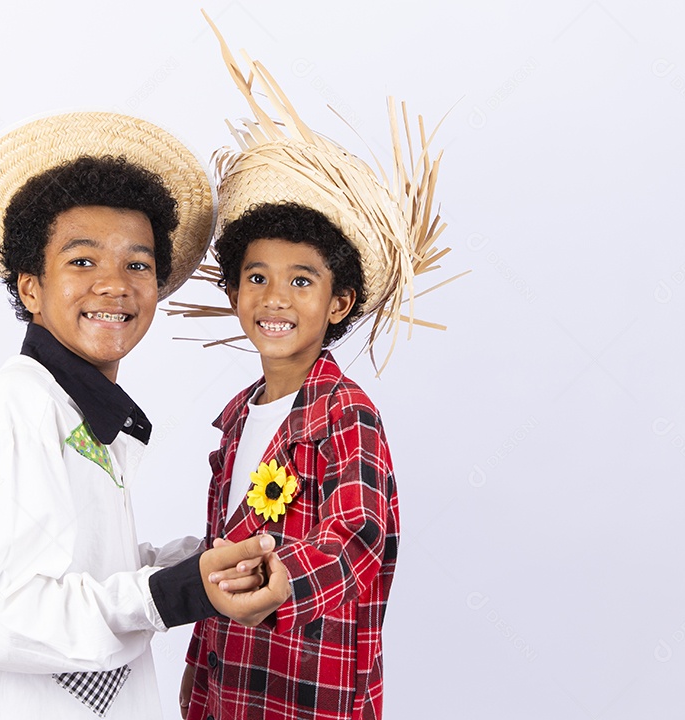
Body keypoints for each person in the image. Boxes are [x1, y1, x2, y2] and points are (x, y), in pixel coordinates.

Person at [0, 112, 290, 720]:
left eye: (137, 265)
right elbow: (0, 617)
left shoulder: (81, 414)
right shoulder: (8, 416)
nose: (115, 286)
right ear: (30, 287)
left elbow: (86, 573)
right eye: (83, 262)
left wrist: (196, 564)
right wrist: (175, 592)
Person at [176, 19, 463, 720]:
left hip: (310, 701)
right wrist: (198, 671)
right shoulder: (239, 417)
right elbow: (222, 552)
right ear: (235, 291)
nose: (275, 298)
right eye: (257, 277)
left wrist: (283, 579)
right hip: (232, 692)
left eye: (302, 281)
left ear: (340, 301)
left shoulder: (346, 415)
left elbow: (357, 536)